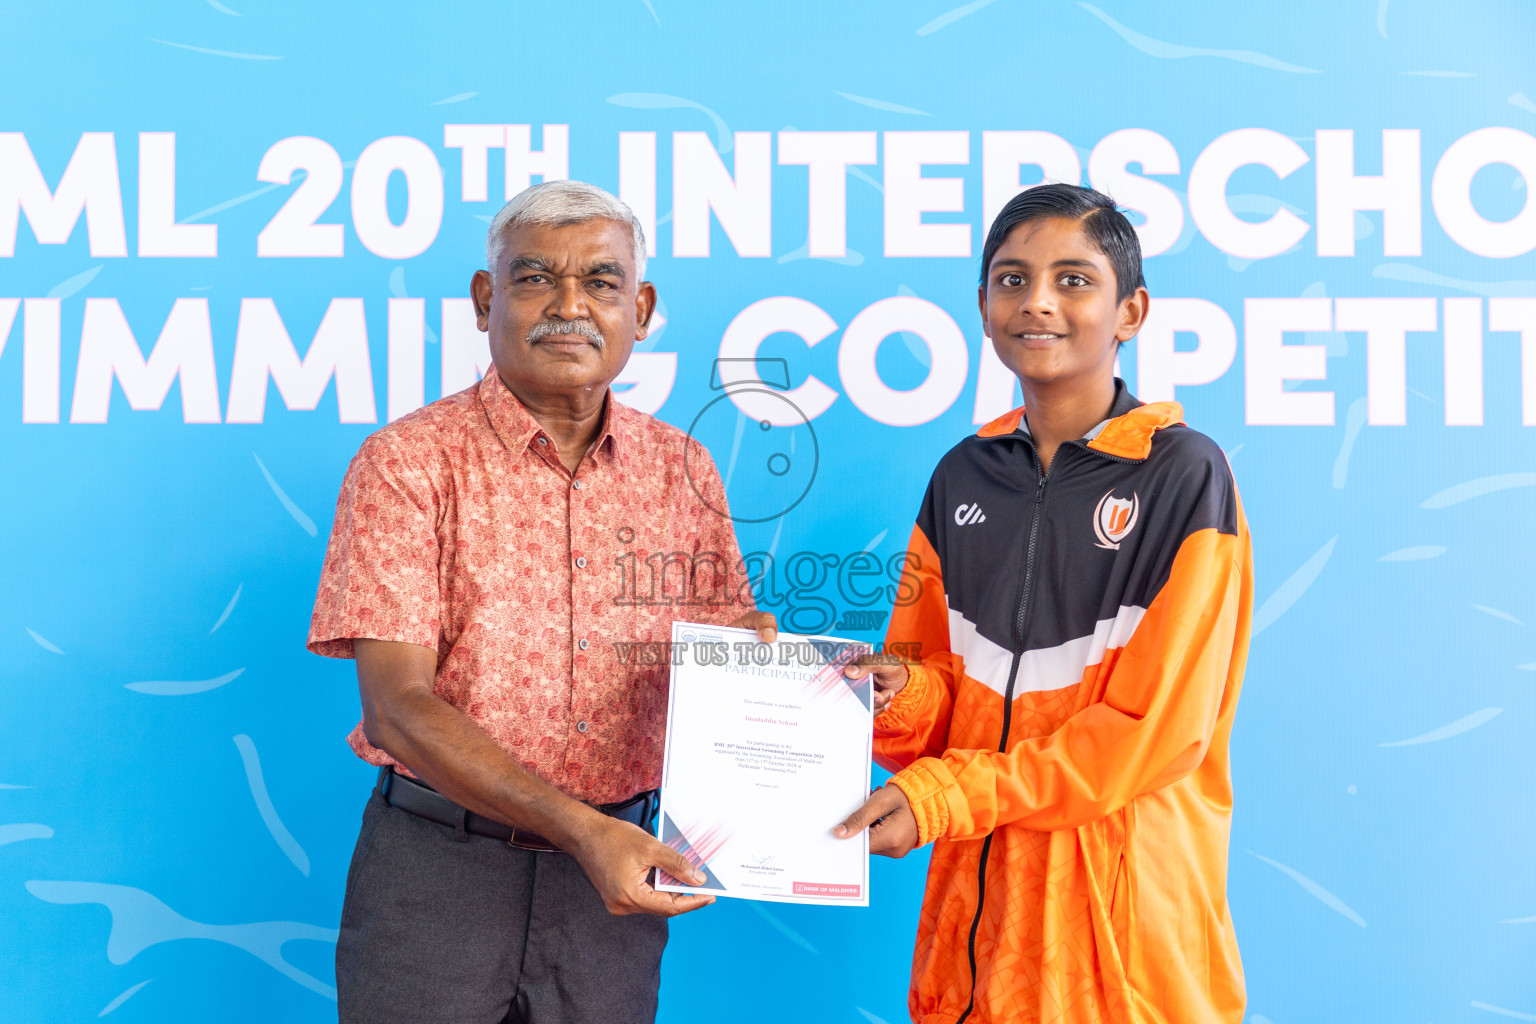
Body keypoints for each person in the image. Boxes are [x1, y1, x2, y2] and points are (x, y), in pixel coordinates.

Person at [307, 179, 775, 1024]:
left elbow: (716, 670)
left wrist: (777, 679)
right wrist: (582, 831)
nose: (570, 306)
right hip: (437, 878)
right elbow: (397, 710)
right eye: (534, 279)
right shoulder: (408, 464)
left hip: (613, 894)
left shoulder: (683, 472)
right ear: (486, 299)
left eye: (600, 282)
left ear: (641, 306)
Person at [838, 183, 1253, 1023]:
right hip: (975, 933)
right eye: (1011, 278)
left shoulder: (1184, 477)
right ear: (985, 310)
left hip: (1117, 932)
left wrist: (945, 798)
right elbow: (933, 698)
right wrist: (894, 695)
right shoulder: (962, 475)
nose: (1038, 301)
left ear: (1130, 310)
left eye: (1074, 279)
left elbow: (1150, 735)